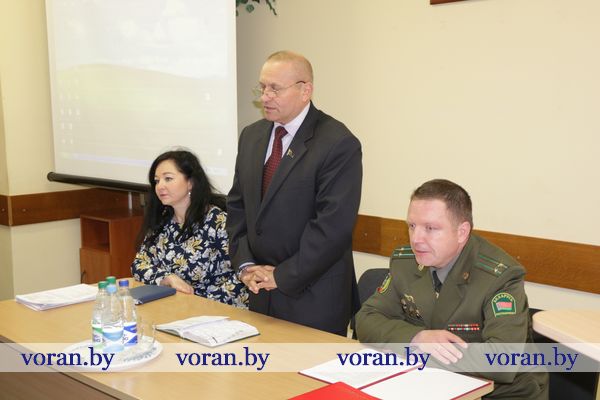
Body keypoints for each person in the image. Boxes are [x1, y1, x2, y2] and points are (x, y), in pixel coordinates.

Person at [355, 179, 548, 399]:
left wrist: (414, 351)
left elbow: (501, 360)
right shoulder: (407, 262)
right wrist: (416, 338)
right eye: (412, 226)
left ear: (462, 232)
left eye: (430, 228)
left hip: (500, 394)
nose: (416, 239)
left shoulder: (499, 276)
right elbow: (366, 320)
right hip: (432, 386)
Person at [226, 51, 362, 335]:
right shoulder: (251, 136)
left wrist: (281, 275)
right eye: (262, 87)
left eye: (275, 88)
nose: (265, 97)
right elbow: (238, 207)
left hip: (313, 298)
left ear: (305, 90)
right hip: (260, 292)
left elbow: (332, 227)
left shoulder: (337, 143)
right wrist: (246, 265)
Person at [131, 150, 248, 308]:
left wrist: (198, 304)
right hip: (176, 307)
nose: (160, 186)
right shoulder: (163, 220)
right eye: (157, 181)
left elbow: (242, 276)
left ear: (190, 182)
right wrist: (167, 278)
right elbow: (139, 264)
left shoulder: (218, 221)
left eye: (168, 178)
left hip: (216, 311)